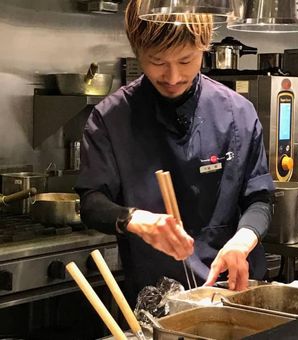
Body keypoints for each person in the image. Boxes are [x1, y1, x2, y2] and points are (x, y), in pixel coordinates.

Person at [75, 0, 274, 307]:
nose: (172, 77)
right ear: (138, 52)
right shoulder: (110, 119)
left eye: (185, 61)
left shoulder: (237, 113)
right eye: (157, 62)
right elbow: (91, 203)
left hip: (233, 294)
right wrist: (134, 218)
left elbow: (259, 198)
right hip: (156, 301)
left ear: (204, 47)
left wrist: (242, 240)